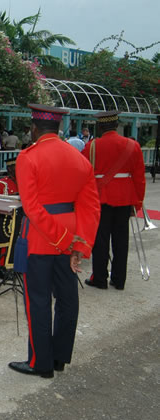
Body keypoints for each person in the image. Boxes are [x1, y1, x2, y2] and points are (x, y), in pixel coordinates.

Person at [8, 104, 100, 379]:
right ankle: (59, 357)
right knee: (67, 298)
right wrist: (78, 245)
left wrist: (61, 239)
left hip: (41, 237)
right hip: (71, 234)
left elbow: (32, 208)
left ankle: (40, 362)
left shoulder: (28, 157)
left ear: (35, 128)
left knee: (37, 300)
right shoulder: (79, 159)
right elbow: (90, 207)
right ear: (58, 128)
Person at [81, 111, 146, 290]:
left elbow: (84, 174)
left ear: (101, 127)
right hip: (124, 198)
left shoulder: (92, 146)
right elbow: (139, 179)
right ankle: (119, 280)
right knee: (121, 240)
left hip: (100, 198)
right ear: (117, 125)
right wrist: (137, 203)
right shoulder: (133, 146)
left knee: (100, 240)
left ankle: (99, 278)